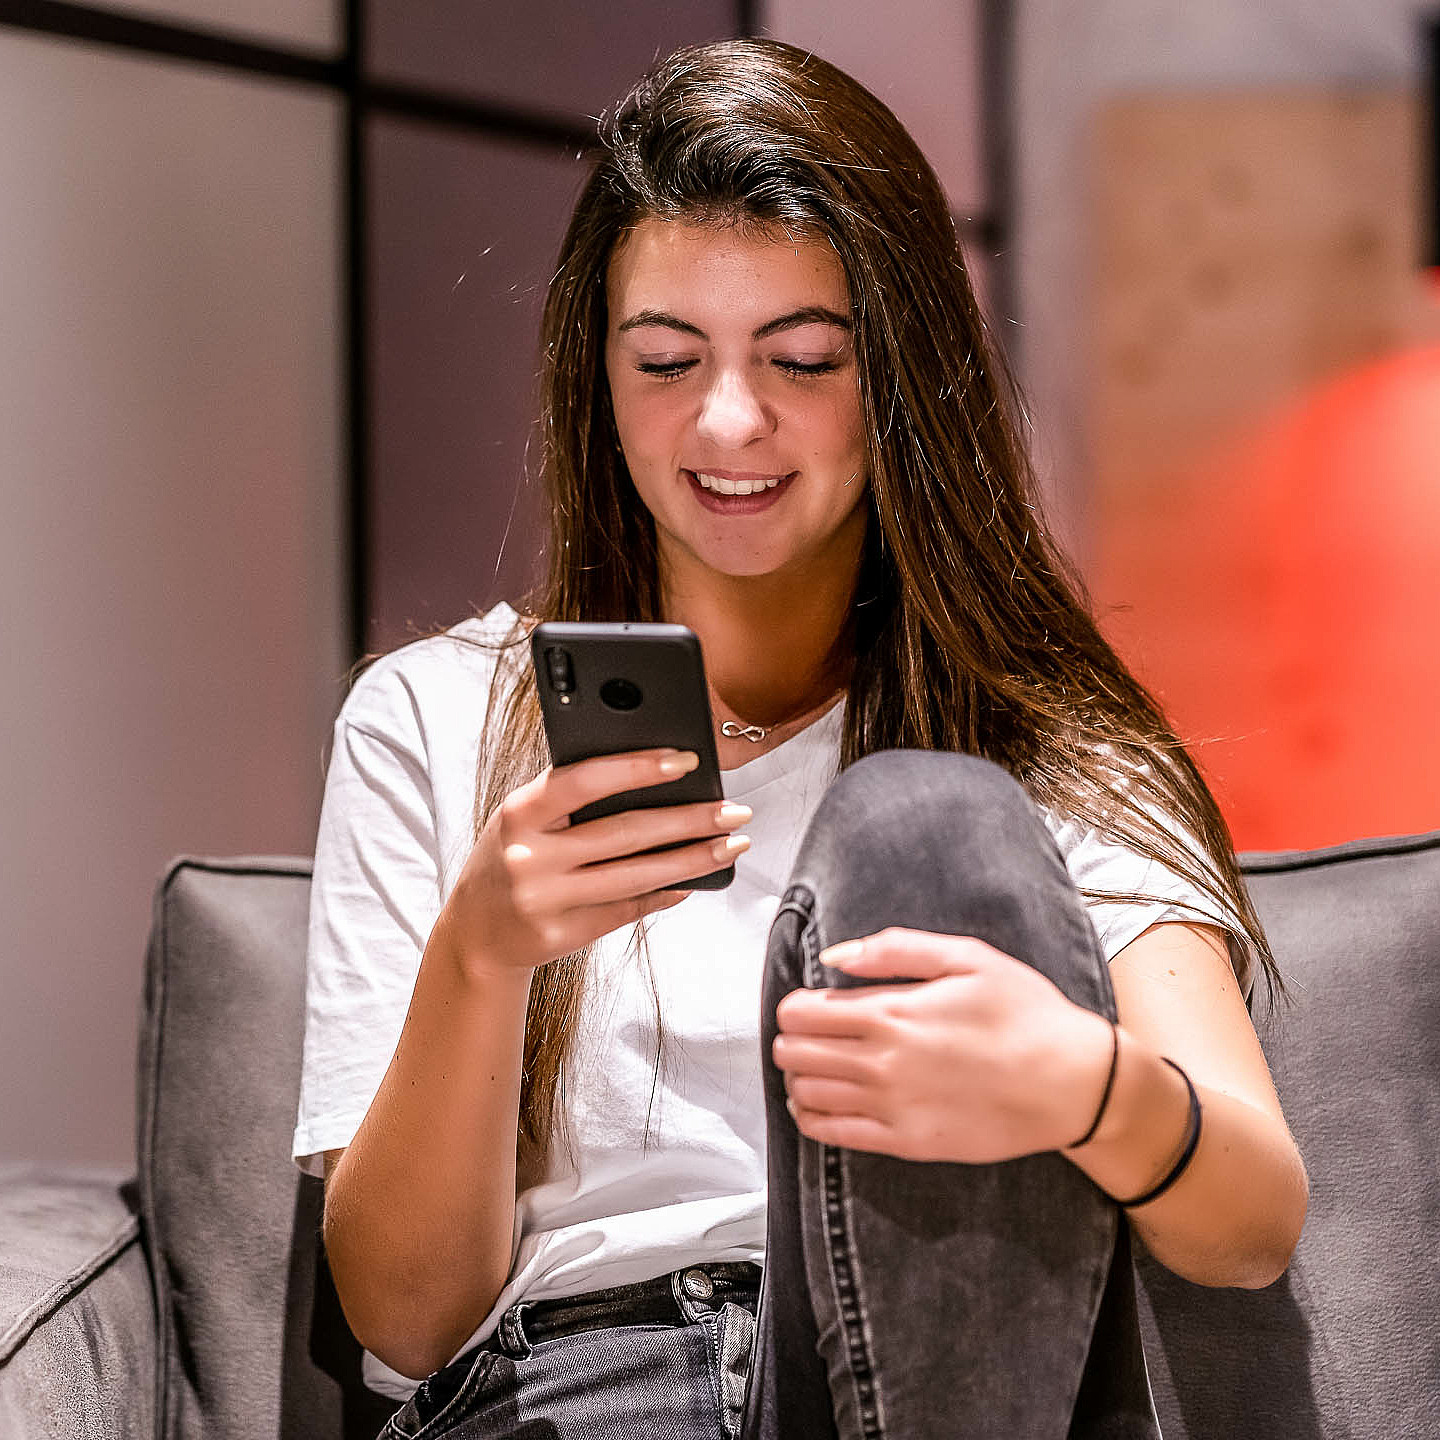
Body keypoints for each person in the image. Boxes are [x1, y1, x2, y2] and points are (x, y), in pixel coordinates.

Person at [292, 36, 1308, 1440]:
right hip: (584, 1391)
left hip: (931, 1371)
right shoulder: (436, 719)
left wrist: (1082, 1084)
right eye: (666, 359)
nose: (728, 419)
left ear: (900, 377)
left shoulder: (1046, 743)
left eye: (804, 359)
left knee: (930, 825)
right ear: (599, 375)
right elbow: (403, 1325)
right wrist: (482, 952)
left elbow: (1251, 1214)